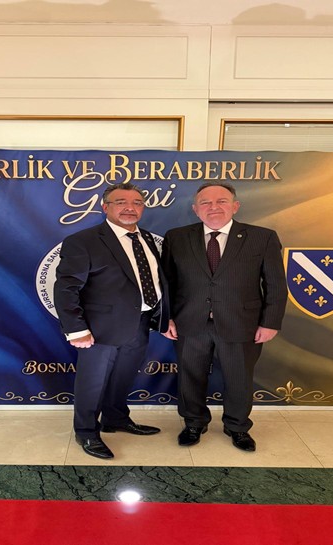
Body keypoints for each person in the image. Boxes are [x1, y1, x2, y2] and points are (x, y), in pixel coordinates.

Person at [162, 182, 287, 452]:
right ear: (196, 209)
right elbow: (167, 283)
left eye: (221, 201)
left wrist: (270, 322)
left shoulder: (262, 237)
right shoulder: (177, 237)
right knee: (190, 377)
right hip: (189, 322)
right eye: (205, 203)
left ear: (235, 206)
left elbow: (275, 284)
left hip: (242, 323)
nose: (213, 207)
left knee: (239, 378)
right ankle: (194, 423)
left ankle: (237, 426)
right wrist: (166, 318)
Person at [54, 182, 169, 459]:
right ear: (105, 207)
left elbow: (154, 280)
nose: (130, 208)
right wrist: (76, 329)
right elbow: (66, 288)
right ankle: (86, 432)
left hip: (140, 323)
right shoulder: (84, 241)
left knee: (123, 376)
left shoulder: (147, 238)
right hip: (98, 329)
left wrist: (164, 316)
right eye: (121, 202)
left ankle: (115, 418)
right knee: (92, 383)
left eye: (137, 203)